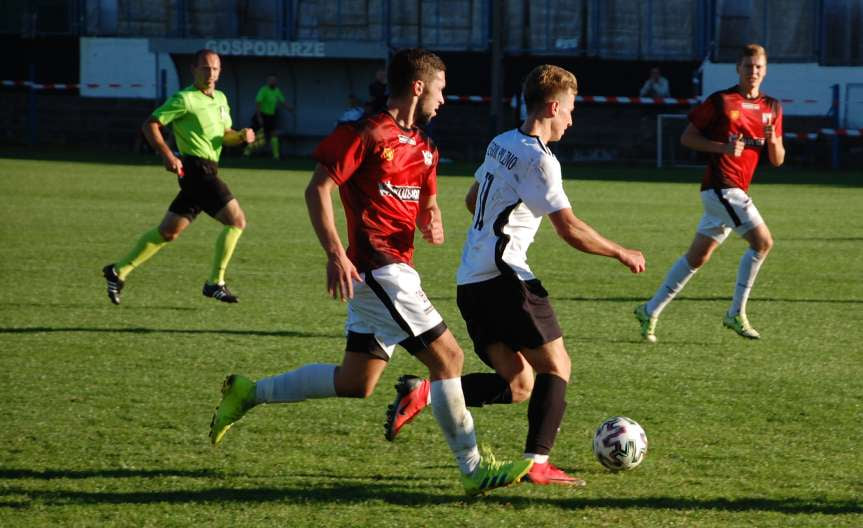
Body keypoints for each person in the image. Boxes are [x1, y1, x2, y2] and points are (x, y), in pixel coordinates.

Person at [208, 48, 533, 496]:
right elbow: (318, 188)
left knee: (356, 381)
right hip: (377, 270)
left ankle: (248, 392)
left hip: (397, 269)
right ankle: (473, 466)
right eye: (440, 89)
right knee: (450, 360)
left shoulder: (424, 147)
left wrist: (429, 217)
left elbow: (426, 199)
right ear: (418, 87)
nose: (444, 98)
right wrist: (336, 253)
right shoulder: (364, 131)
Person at [383, 65, 647, 486]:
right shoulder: (541, 161)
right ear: (554, 106)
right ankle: (537, 461)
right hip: (506, 278)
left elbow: (473, 200)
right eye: (571, 110)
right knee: (557, 367)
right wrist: (620, 251)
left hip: (470, 280)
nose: (572, 120)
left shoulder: (501, 142)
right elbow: (569, 228)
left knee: (520, 383)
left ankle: (425, 393)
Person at [634, 44, 784, 342]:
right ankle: (735, 313)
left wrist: (772, 141)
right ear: (737, 69)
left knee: (697, 257)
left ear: (765, 71)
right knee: (763, 242)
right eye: (747, 66)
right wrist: (722, 148)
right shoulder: (721, 101)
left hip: (734, 191)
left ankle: (649, 310)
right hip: (721, 187)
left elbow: (778, 159)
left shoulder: (772, 107)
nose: (753, 72)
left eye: (758, 67)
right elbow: (687, 137)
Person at [102, 49, 254, 305]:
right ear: (193, 70)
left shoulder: (220, 99)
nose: (210, 73)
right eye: (205, 68)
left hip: (208, 170)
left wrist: (240, 137)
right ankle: (215, 283)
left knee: (169, 232)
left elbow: (224, 133)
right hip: (196, 171)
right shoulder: (184, 99)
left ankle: (118, 271)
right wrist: (167, 155)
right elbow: (150, 124)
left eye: (215, 69)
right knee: (236, 221)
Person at [254, 74, 292, 159]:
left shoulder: (277, 91)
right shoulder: (263, 90)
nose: (273, 82)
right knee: (258, 136)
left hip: (271, 116)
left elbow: (282, 101)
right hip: (263, 115)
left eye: (274, 81)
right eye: (271, 80)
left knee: (273, 135)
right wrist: (259, 116)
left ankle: (276, 156)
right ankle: (247, 153)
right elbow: (258, 102)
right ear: (268, 82)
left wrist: (289, 108)